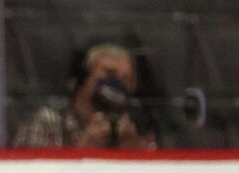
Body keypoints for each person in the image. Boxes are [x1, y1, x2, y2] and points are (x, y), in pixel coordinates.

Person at [13, 42, 156, 149]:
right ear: (84, 76)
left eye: (126, 79)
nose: (116, 83)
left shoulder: (140, 128)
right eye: (109, 73)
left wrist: (136, 154)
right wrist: (83, 151)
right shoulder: (47, 123)